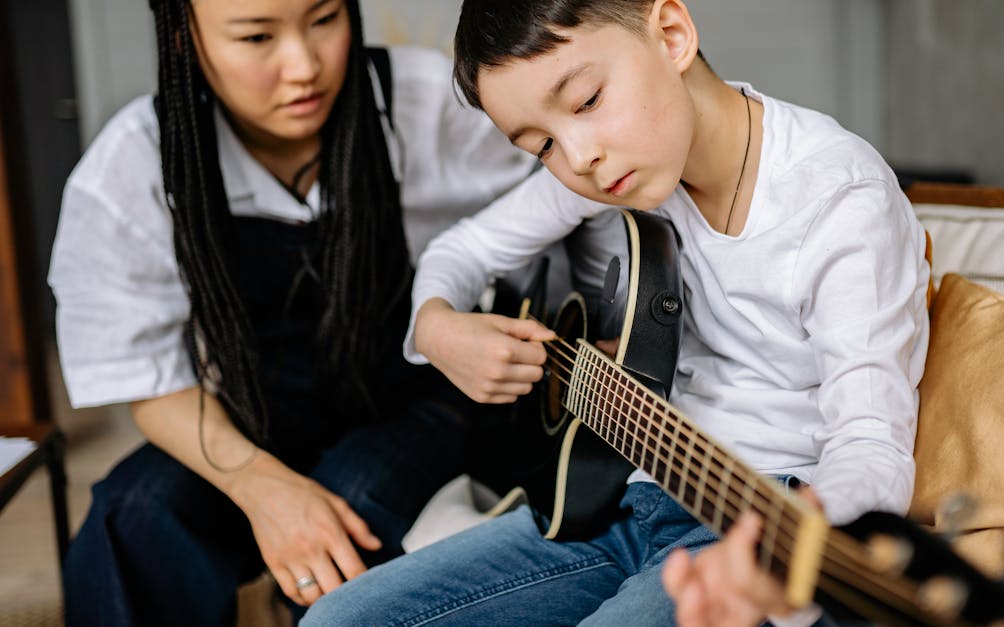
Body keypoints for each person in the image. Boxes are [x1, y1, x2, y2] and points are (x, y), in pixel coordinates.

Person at [301, 0, 930, 625]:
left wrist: (783, 555)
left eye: (586, 102)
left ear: (673, 35)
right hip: (621, 498)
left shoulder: (840, 202)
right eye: (541, 144)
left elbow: (871, 443)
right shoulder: (627, 164)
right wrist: (435, 326)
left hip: (754, 520)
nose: (578, 159)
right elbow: (461, 250)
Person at [47, 0, 535, 624]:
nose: (304, 66)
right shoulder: (133, 165)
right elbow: (149, 377)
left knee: (352, 508)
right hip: (250, 414)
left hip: (415, 398)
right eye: (256, 37)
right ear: (181, 36)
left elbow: (562, 187)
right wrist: (263, 487)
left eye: (325, 19)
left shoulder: (426, 103)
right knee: (134, 515)